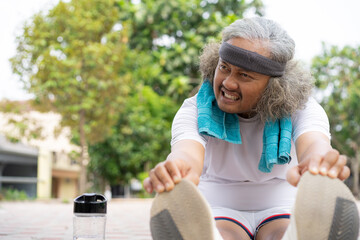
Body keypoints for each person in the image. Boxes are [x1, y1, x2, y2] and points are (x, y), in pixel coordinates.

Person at [143, 17, 359, 240]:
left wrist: (320, 164)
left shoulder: (302, 107)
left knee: (279, 234)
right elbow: (186, 153)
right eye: (224, 67)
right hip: (218, 206)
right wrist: (176, 170)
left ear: (275, 86)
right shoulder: (195, 109)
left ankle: (303, 233)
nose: (228, 82)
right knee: (227, 235)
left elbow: (315, 143)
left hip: (281, 203)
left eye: (244, 75)